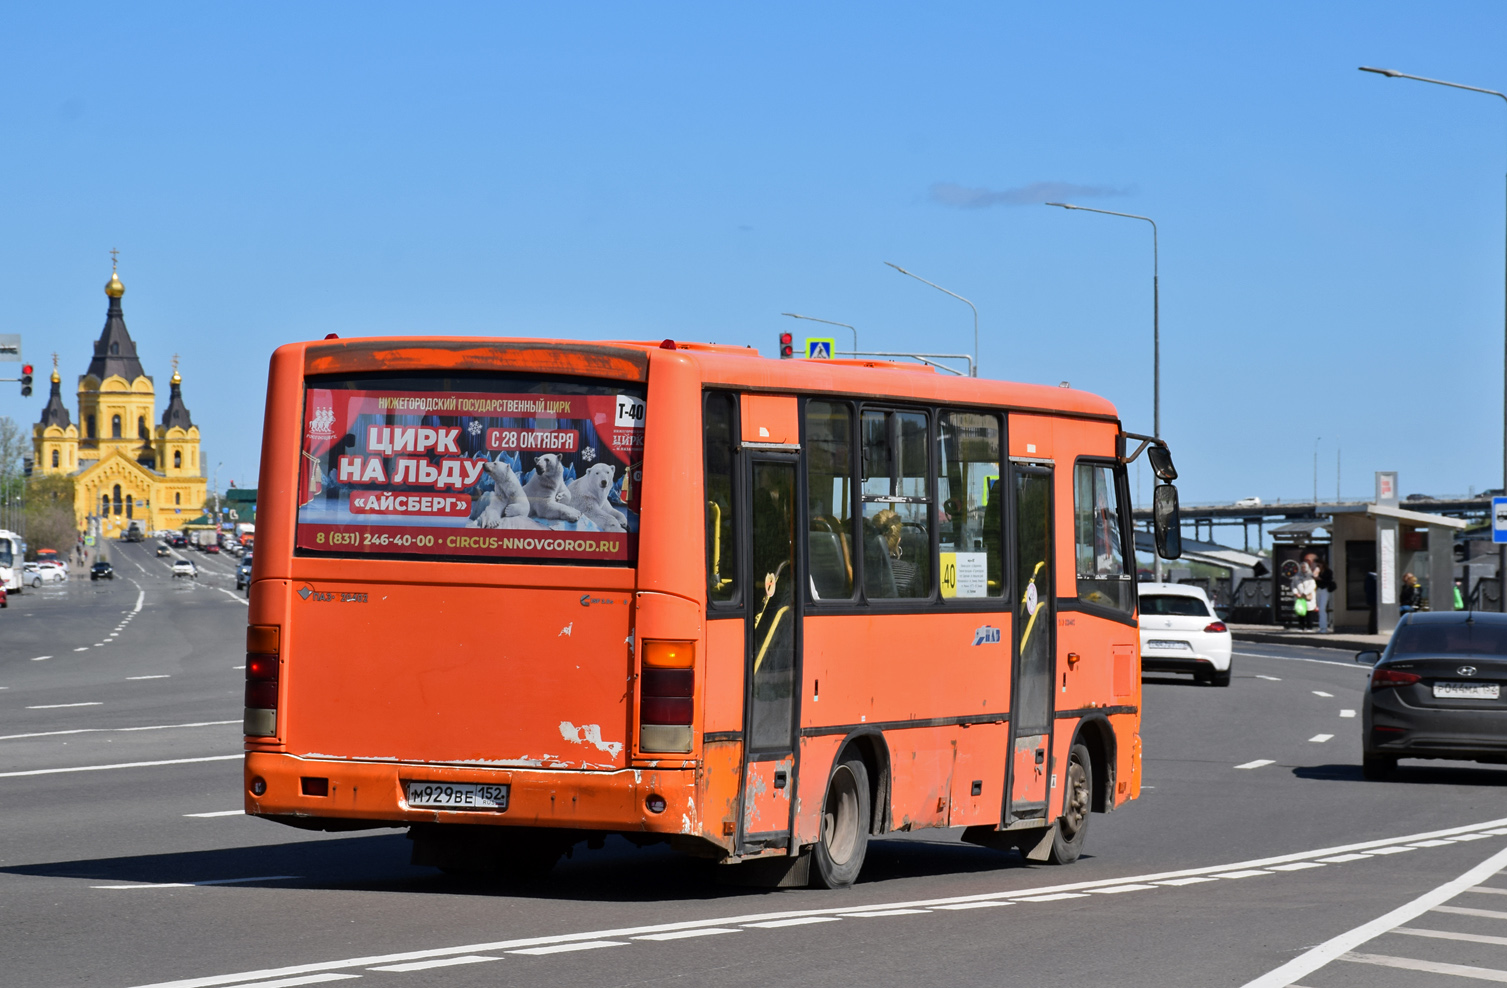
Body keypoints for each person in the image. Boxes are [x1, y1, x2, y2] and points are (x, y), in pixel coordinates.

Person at [1292, 556, 1318, 631]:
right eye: (1302, 567)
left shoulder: (1310, 576)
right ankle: (1301, 627)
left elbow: (1313, 585)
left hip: (1308, 597)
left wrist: (1305, 593)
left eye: (1304, 567)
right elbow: (1293, 585)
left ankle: (1309, 627)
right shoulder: (1296, 576)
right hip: (1299, 597)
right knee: (1301, 612)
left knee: (1309, 612)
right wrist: (1296, 592)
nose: (1303, 568)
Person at [1312, 554, 1337, 633]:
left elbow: (1328, 581)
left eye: (1319, 564)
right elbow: (1313, 577)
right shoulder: (1317, 571)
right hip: (1318, 590)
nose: (1318, 566)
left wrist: (1320, 579)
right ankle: (1321, 626)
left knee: (1322, 609)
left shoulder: (1328, 572)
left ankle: (1324, 628)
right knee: (1320, 609)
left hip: (1325, 590)